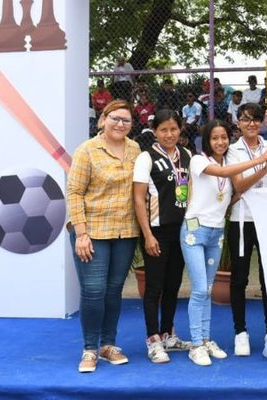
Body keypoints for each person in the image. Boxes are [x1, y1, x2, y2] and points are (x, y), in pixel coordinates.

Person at [182, 119, 267, 366]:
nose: (220, 142)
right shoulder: (199, 160)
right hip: (194, 230)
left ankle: (204, 339)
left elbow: (232, 193)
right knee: (201, 289)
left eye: (224, 137)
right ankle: (195, 344)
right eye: (215, 138)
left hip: (216, 232)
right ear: (206, 140)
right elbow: (225, 174)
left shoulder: (227, 161)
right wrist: (261, 160)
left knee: (209, 287)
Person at [67, 100, 141, 373]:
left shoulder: (135, 149)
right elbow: (74, 192)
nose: (120, 124)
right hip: (93, 231)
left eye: (126, 120)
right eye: (115, 118)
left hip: (125, 232)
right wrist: (81, 233)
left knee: (113, 291)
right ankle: (89, 349)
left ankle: (108, 345)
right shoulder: (87, 151)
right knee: (94, 291)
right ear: (103, 119)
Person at [227, 102, 267, 357]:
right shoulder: (233, 151)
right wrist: (265, 166)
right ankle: (240, 332)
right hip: (241, 219)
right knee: (239, 278)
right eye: (246, 119)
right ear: (239, 123)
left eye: (256, 119)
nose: (251, 124)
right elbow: (239, 185)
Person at [133, 109, 194, 364]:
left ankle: (168, 333)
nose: (169, 134)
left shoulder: (188, 155)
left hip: (180, 230)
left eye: (174, 129)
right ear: (155, 132)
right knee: (154, 287)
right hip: (156, 231)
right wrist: (147, 235)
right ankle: (153, 338)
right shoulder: (146, 157)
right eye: (164, 130)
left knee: (172, 286)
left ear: (180, 130)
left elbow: (190, 190)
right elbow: (138, 197)